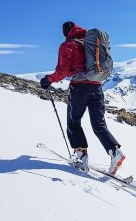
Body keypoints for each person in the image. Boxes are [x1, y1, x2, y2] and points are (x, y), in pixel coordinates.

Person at [40, 21, 125, 175]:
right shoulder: (89, 43)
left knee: (73, 122)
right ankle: (114, 151)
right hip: (97, 87)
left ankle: (82, 157)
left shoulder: (68, 45)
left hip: (79, 88)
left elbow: (62, 72)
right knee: (99, 125)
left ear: (66, 32)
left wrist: (47, 80)